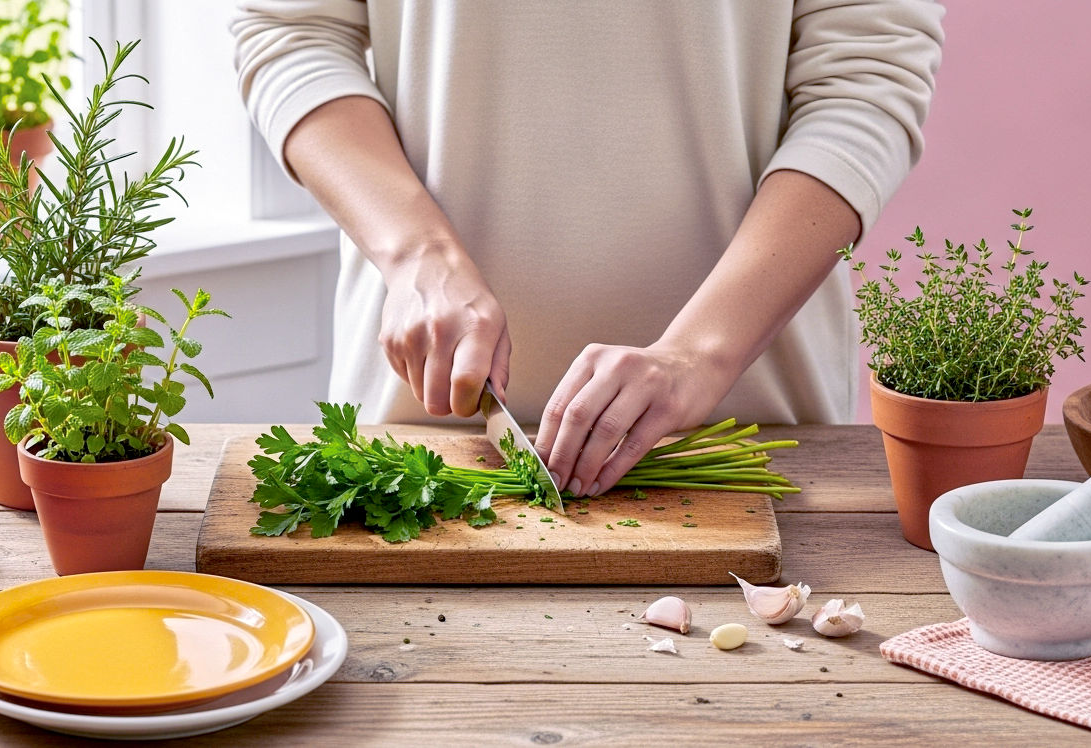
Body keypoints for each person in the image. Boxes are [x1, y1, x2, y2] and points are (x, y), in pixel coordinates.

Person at [232, 1, 944, 499]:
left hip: (744, 442)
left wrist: (699, 352)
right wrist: (416, 255)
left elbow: (866, 78)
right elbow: (293, 34)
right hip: (423, 438)